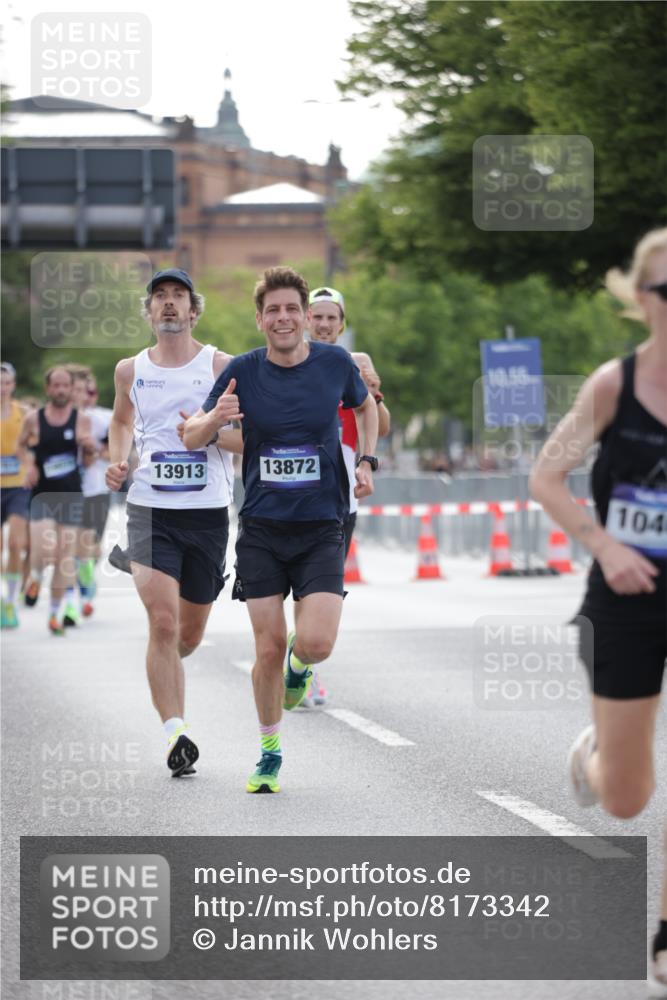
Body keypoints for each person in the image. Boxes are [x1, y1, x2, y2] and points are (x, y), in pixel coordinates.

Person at [529, 227, 667, 990]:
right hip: (624, 596)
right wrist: (604, 546)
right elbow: (546, 478)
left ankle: (665, 936)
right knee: (625, 798)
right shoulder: (613, 385)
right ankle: (594, 754)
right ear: (641, 300)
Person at [183, 266, 379, 794]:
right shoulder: (241, 373)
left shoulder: (336, 363)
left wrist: (366, 460)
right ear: (260, 319)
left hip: (321, 525)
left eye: (293, 308)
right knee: (266, 647)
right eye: (274, 310)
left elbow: (366, 407)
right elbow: (191, 435)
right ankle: (269, 752)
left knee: (315, 643)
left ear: (304, 316)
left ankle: (301, 666)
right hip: (263, 529)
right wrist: (214, 417)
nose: (285, 318)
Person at [105, 268, 239, 778]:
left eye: (177, 296)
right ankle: (175, 734)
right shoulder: (130, 369)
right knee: (162, 622)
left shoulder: (222, 366)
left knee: (188, 635)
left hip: (206, 514)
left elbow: (248, 440)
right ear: (149, 311)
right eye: (159, 297)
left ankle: (166, 665)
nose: (168, 304)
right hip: (149, 510)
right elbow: (121, 421)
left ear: (193, 309)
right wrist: (120, 460)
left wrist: (204, 434)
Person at [305, 285, 392, 704]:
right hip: (294, 494)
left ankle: (305, 665)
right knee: (298, 587)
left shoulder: (351, 365)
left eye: (331, 318)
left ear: (341, 325)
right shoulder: (289, 363)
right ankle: (299, 662)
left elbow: (382, 426)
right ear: (306, 320)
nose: (323, 324)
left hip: (342, 497)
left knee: (323, 589)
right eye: (316, 316)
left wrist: (373, 390)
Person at [18, 367, 92, 634]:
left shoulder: (81, 419)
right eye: (56, 385)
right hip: (43, 494)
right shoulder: (33, 419)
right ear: (48, 388)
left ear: (71, 389)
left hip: (71, 493)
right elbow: (21, 446)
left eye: (65, 386)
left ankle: (54, 613)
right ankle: (35, 576)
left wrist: (90, 447)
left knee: (64, 556)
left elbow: (89, 457)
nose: (60, 390)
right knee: (42, 551)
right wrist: (29, 464)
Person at [0, 362, 31, 628]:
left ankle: (9, 603)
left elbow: (38, 444)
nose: (2, 387)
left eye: (6, 382)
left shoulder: (24, 413)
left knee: (15, 545)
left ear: (13, 385)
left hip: (18, 487)